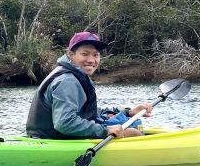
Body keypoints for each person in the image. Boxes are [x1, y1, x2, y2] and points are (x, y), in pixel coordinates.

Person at [25, 32, 153, 139]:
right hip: (51, 141)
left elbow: (85, 112)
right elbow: (64, 123)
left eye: (96, 55)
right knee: (133, 132)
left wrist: (128, 112)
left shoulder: (76, 76)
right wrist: (105, 130)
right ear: (71, 55)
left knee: (132, 124)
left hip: (52, 137)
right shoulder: (67, 81)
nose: (91, 60)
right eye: (85, 54)